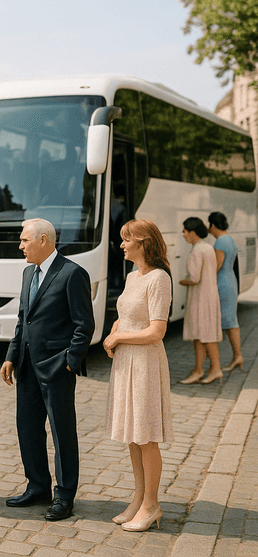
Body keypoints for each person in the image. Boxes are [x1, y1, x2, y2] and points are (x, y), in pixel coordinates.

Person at [1, 218, 95, 521]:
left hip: (57, 369)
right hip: (27, 367)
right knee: (27, 430)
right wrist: (11, 356)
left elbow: (84, 324)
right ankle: (37, 486)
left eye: (24, 240)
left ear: (43, 240)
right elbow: (22, 320)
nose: (20, 246)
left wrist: (70, 361)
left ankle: (64, 496)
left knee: (62, 433)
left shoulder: (72, 273)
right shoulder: (28, 273)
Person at [103, 219, 174, 532]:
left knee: (145, 435)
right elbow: (124, 316)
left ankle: (152, 504)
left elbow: (157, 331)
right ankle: (139, 498)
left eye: (126, 239)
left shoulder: (159, 278)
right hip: (127, 361)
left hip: (145, 362)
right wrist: (113, 332)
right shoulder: (133, 276)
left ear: (143, 243)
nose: (121, 244)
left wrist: (119, 338)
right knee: (133, 434)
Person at [179, 217, 223, 385]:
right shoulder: (208, 247)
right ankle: (201, 370)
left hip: (200, 297)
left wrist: (183, 281)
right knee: (203, 334)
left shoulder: (198, 250)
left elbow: (195, 277)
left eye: (185, 231)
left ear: (192, 232)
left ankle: (212, 369)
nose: (183, 235)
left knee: (204, 335)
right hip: (209, 295)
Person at [208, 212, 244, 372]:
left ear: (213, 225)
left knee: (222, 322)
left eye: (209, 226)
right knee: (231, 321)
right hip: (231, 280)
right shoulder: (230, 239)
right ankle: (237, 356)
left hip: (222, 282)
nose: (209, 230)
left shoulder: (220, 242)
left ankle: (217, 362)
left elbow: (217, 265)